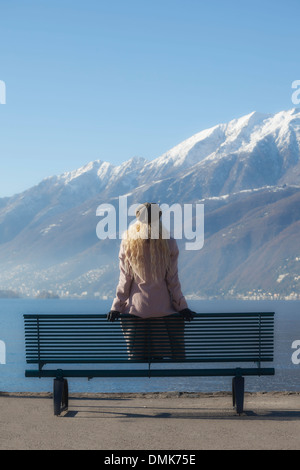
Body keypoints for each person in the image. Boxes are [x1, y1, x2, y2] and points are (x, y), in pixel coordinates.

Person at [107, 202, 195, 360]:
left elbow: (125, 280)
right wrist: (182, 306)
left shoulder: (128, 243)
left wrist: (116, 307)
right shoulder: (168, 242)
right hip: (163, 311)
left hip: (137, 311)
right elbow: (172, 280)